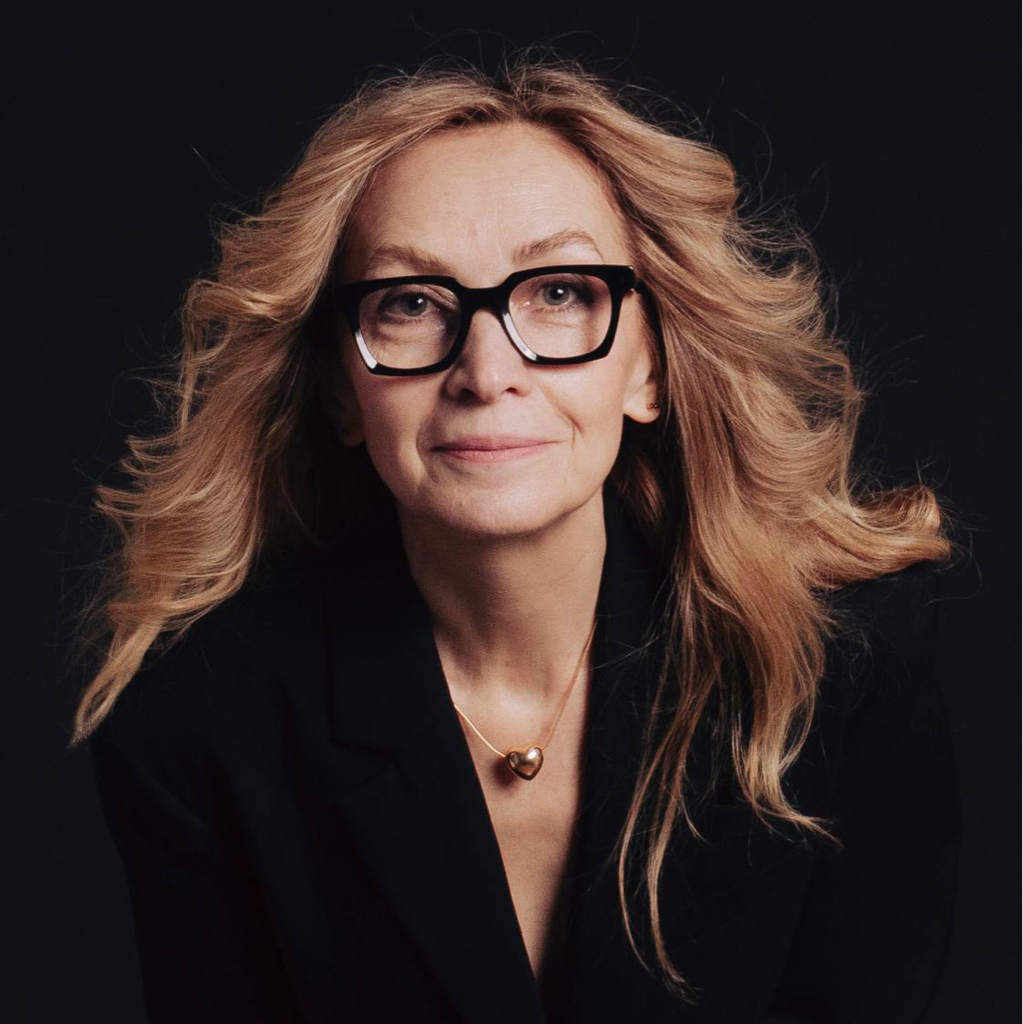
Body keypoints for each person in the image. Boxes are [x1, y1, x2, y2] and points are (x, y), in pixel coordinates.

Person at [70, 52, 962, 1023]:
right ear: (340, 390)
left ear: (649, 368)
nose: (486, 371)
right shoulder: (203, 722)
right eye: (410, 304)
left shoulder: (844, 665)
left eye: (561, 293)